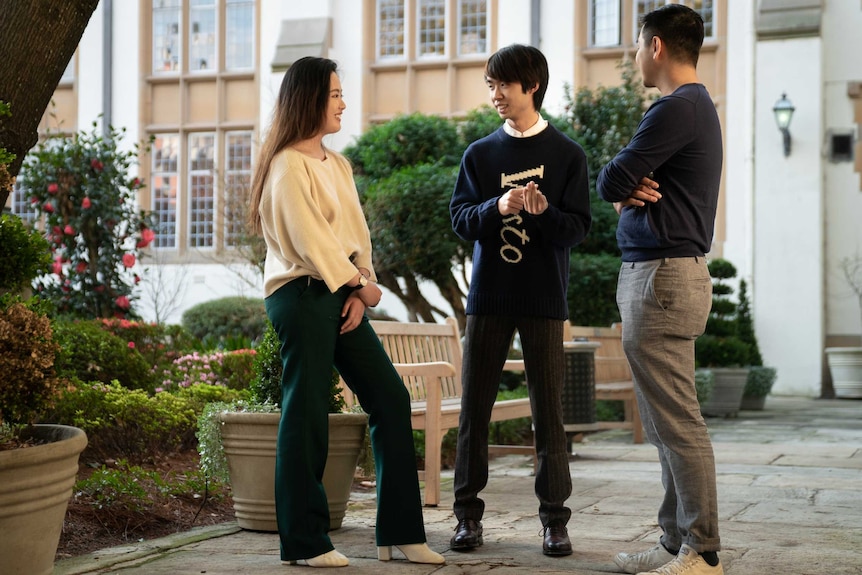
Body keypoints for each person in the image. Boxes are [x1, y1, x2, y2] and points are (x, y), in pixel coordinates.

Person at [248, 56, 445, 569]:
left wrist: (361, 289)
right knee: (308, 410)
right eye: (334, 94)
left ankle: (400, 533)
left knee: (389, 398)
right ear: (309, 99)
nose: (343, 102)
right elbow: (309, 239)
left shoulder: (338, 165)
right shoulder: (286, 164)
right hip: (300, 295)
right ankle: (306, 542)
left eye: (341, 93)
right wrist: (359, 284)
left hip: (339, 294)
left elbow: (355, 238)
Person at [448, 44, 591, 557]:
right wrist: (496, 205)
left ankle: (555, 521)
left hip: (543, 297)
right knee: (474, 411)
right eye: (490, 85)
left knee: (548, 412)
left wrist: (544, 212)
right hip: (488, 298)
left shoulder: (568, 155)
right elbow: (461, 219)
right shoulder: (480, 155)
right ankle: (467, 518)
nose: (495, 95)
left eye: (502, 85)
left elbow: (577, 230)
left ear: (531, 85)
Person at [595, 5, 723, 575]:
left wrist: (623, 190)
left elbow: (611, 179)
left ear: (656, 46)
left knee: (678, 421)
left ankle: (702, 549)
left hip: (663, 276)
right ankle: (675, 542)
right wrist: (626, 187)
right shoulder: (693, 109)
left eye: (638, 44)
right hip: (663, 273)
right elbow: (622, 181)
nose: (635, 54)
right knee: (664, 421)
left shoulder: (676, 109)